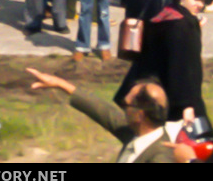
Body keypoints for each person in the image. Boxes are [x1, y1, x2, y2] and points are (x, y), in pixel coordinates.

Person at [115, 0, 213, 131]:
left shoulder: (166, 14)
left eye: (202, 0)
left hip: (152, 96)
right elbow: (183, 68)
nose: (200, 4)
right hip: (176, 104)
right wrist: (186, 105)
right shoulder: (183, 26)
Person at [26, 69, 181, 163]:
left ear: (139, 115)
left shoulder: (160, 157)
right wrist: (60, 84)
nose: (122, 109)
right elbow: (105, 111)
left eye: (126, 105)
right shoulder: (141, 133)